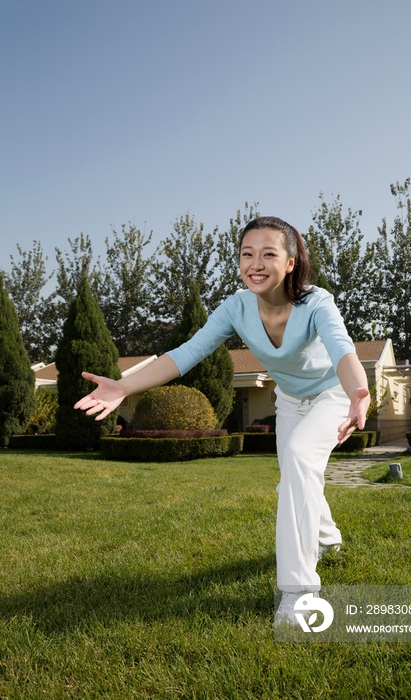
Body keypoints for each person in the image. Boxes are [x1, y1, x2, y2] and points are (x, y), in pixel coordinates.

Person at [74, 216, 370, 626]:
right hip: (289, 401)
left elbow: (342, 349)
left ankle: (298, 592)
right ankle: (327, 537)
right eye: (247, 254)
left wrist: (359, 391)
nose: (256, 263)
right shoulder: (236, 307)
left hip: (333, 393)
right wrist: (124, 386)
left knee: (301, 459)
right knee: (294, 478)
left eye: (269, 253)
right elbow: (185, 354)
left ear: (290, 262)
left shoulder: (317, 302)